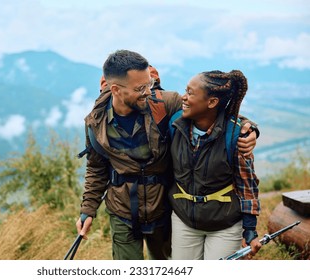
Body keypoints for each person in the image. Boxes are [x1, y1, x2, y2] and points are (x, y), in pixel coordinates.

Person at [76, 50, 258, 260]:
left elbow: (209, 111)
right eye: (140, 88)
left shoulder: (164, 103)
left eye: (150, 84)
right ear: (116, 89)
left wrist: (248, 128)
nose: (148, 92)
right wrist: (88, 210)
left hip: (163, 208)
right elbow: (96, 168)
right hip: (122, 210)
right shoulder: (96, 122)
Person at [169, 70, 262, 260]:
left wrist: (250, 228)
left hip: (225, 225)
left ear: (211, 102)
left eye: (191, 93)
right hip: (184, 220)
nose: (184, 97)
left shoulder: (236, 135)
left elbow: (247, 184)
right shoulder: (175, 124)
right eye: (185, 91)